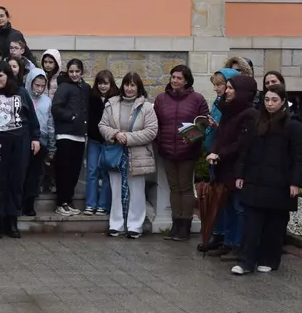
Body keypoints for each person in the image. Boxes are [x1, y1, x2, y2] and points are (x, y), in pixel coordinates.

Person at [234, 84, 302, 275]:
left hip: (279, 183)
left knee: (274, 224)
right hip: (255, 180)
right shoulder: (255, 122)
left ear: (283, 102)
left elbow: (299, 157)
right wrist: (240, 174)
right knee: (251, 224)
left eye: (274, 100)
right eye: (267, 99)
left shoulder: (293, 126)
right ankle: (246, 261)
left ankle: (269, 259)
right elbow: (245, 151)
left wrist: (295, 182)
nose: (270, 104)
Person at [153, 64, 210, 242]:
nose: (175, 81)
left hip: (188, 150)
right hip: (167, 150)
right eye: (173, 77)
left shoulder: (197, 99)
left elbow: (203, 123)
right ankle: (175, 224)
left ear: (186, 80)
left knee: (185, 187)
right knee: (174, 187)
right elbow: (155, 123)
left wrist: (190, 139)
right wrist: (161, 141)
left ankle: (185, 224)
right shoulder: (161, 99)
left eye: (179, 78)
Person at [99, 73, 160, 239]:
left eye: (133, 85)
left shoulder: (147, 107)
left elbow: (151, 131)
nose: (129, 88)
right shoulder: (111, 104)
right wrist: (115, 134)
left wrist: (128, 138)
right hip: (116, 152)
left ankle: (135, 225)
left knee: (137, 190)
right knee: (116, 189)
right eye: (127, 84)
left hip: (137, 154)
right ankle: (116, 224)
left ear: (138, 87)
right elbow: (102, 125)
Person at [0, 64, 40, 238]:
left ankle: (12, 219)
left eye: (0, 75)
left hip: (20, 140)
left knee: (16, 180)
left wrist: (35, 138)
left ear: (8, 75)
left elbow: (31, 118)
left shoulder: (21, 92)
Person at [204, 74, 258, 259]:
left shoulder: (250, 114)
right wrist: (213, 151)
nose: (226, 91)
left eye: (230, 88)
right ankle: (227, 242)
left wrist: (220, 154)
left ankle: (238, 245)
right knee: (226, 206)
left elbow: (242, 143)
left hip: (238, 168)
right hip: (224, 168)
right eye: (226, 87)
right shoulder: (229, 111)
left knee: (238, 207)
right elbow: (222, 136)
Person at [51, 59, 90, 217]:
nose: (74, 74)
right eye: (71, 71)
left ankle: (68, 200)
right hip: (65, 135)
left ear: (81, 72)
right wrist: (72, 117)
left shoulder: (86, 88)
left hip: (80, 136)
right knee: (64, 171)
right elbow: (56, 108)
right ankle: (61, 202)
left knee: (74, 172)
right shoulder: (64, 87)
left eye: (77, 71)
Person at [84, 70, 117, 216]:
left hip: (109, 141)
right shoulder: (91, 97)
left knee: (106, 173)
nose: (103, 86)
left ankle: (103, 204)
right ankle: (90, 204)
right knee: (92, 171)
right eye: (100, 83)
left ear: (111, 84)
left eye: (106, 83)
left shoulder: (116, 99)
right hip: (94, 140)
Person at [23, 67, 54, 217]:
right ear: (30, 83)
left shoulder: (47, 102)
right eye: (37, 85)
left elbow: (50, 124)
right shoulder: (23, 97)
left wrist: (51, 145)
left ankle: (30, 203)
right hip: (24, 141)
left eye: (42, 86)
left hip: (40, 142)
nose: (39, 89)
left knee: (35, 175)